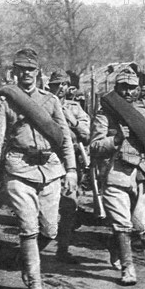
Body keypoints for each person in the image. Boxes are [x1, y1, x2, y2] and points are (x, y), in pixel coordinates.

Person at [0, 48, 77, 289]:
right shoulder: (5, 102)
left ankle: (26, 261)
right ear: (14, 72)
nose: (26, 73)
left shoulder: (50, 101)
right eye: (21, 69)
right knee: (28, 227)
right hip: (19, 169)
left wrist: (71, 170)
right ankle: (35, 285)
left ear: (39, 72)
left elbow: (65, 138)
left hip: (50, 169)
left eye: (31, 69)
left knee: (50, 229)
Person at [90, 65, 145, 284]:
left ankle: (116, 245)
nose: (128, 92)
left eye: (133, 88)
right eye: (124, 87)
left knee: (138, 225)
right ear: (117, 87)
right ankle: (128, 267)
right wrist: (115, 141)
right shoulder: (106, 113)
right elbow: (94, 146)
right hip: (117, 172)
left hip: (142, 174)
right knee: (122, 224)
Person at [48, 69, 91, 263]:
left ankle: (62, 249)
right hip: (46, 160)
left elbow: (87, 133)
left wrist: (70, 118)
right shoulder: (43, 104)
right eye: (57, 85)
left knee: (68, 206)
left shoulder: (75, 107)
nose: (61, 89)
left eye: (64, 85)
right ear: (50, 87)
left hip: (70, 162)